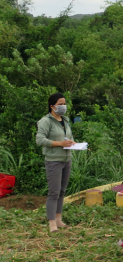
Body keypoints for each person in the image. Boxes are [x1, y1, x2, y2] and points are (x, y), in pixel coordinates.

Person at [36, 93, 75, 233]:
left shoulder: (65, 120)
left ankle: (59, 219)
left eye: (64, 103)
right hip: (53, 161)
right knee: (54, 192)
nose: (63, 106)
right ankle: (51, 222)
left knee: (62, 191)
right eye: (60, 104)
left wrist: (72, 142)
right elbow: (40, 140)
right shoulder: (46, 121)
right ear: (52, 106)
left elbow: (67, 137)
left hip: (66, 159)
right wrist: (60, 143)